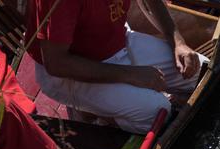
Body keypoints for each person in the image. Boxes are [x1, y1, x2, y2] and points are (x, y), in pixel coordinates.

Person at [26, 0, 203, 134]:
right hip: (68, 73)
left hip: (116, 40)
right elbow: (56, 64)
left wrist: (178, 42)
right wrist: (131, 75)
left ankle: (110, 104)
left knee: (199, 71)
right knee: (159, 113)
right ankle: (96, 116)